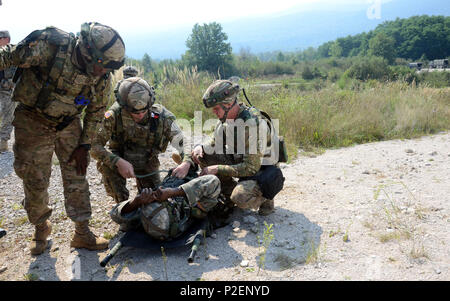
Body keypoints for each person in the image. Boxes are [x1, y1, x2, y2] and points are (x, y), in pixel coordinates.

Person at [0, 22, 126, 255]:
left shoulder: (101, 77)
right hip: (33, 121)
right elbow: (8, 57)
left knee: (77, 177)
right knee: (34, 181)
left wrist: (85, 144)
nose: (104, 72)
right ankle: (40, 227)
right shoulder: (51, 48)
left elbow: (96, 112)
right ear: (89, 53)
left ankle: (82, 233)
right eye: (103, 65)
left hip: (68, 124)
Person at [173, 79, 279, 216]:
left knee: (240, 197)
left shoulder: (253, 124)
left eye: (216, 108)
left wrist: (217, 168)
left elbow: (251, 167)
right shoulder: (226, 120)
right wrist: (193, 154)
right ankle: (229, 194)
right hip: (240, 159)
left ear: (228, 104)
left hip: (261, 168)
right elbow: (212, 141)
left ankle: (266, 197)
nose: (214, 113)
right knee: (205, 154)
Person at [91, 77, 193, 205]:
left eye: (144, 111)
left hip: (147, 161)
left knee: (154, 199)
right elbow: (94, 146)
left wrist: (186, 163)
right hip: (120, 158)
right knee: (108, 168)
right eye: (134, 112)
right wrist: (117, 161)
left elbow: (183, 142)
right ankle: (121, 203)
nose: (140, 115)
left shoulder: (161, 117)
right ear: (123, 106)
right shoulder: (113, 116)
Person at [110, 172, 221, 240]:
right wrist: (173, 192)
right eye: (167, 203)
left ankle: (185, 163)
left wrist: (137, 201)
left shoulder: (146, 218)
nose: (159, 200)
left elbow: (114, 213)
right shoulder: (189, 212)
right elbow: (212, 181)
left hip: (174, 178)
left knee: (182, 167)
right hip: (192, 182)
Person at [0, 30, 16, 153]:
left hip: (6, 92)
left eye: (0, 38)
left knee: (7, 117)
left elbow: (19, 75)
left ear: (7, 39)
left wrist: (9, 83)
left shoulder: (14, 53)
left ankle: (3, 142)